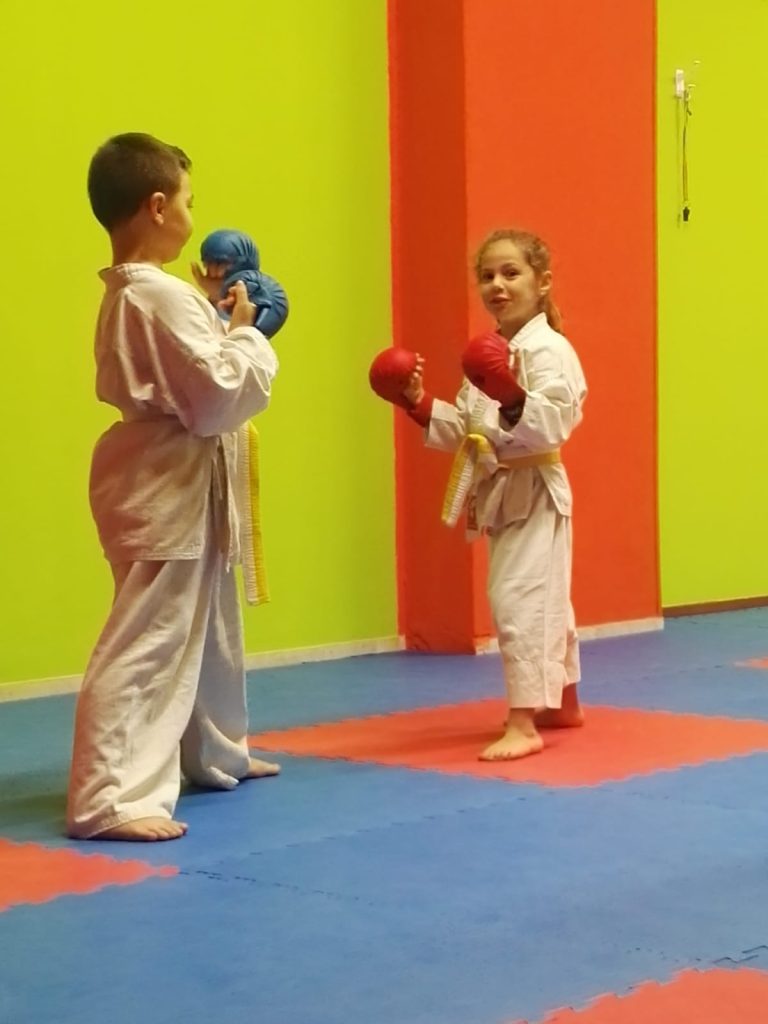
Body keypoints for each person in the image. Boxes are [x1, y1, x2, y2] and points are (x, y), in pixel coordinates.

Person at [67, 133, 280, 842]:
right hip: (164, 480)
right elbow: (215, 395)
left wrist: (217, 320)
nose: (193, 213)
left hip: (169, 474)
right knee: (149, 638)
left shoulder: (146, 292)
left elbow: (188, 372)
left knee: (208, 622)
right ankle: (107, 798)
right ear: (158, 207)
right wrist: (246, 335)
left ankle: (215, 752)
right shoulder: (158, 296)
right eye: (189, 200)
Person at [370, 228, 587, 761]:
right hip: (504, 490)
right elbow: (473, 432)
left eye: (511, 273)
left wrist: (510, 393)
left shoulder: (549, 350)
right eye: (487, 276)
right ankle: (564, 705)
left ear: (543, 282)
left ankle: (524, 723)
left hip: (536, 491)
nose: (497, 285)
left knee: (520, 599)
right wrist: (417, 402)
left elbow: (553, 425)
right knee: (544, 598)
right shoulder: (492, 351)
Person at [193, 229, 289, 339]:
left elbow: (252, 339)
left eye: (221, 264)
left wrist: (243, 326)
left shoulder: (260, 292)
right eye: (208, 263)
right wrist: (216, 296)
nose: (214, 270)